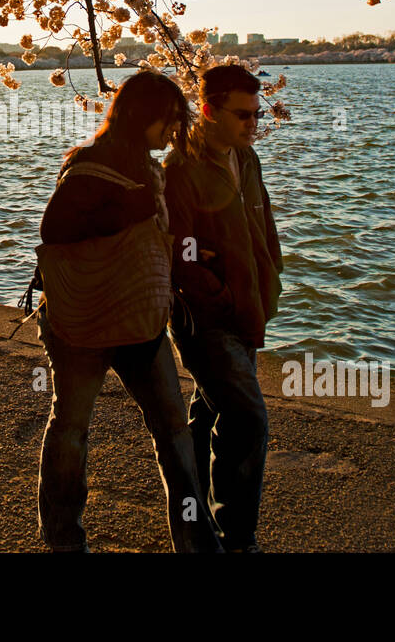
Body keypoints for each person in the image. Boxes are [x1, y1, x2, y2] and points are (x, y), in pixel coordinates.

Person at [35, 70, 221, 553]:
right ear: (143, 117)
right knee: (72, 427)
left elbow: (145, 235)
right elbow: (53, 230)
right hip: (84, 323)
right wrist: (132, 205)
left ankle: (197, 541)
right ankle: (64, 540)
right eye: (168, 121)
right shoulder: (90, 167)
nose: (172, 133)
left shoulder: (144, 165)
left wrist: (189, 255)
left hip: (138, 320)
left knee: (173, 432)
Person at [163, 63, 283, 552]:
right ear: (209, 110)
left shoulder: (246, 158)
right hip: (205, 316)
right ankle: (239, 538)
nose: (253, 125)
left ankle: (194, 520)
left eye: (256, 115)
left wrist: (268, 275)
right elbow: (179, 246)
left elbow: (264, 221)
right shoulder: (180, 168)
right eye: (243, 116)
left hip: (247, 307)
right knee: (250, 418)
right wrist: (215, 289)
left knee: (211, 410)